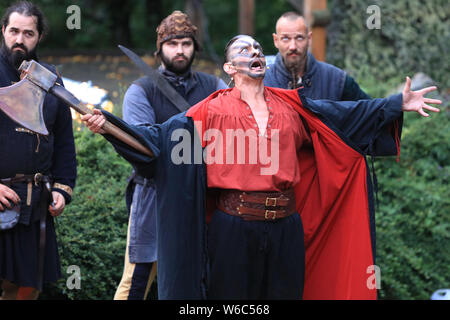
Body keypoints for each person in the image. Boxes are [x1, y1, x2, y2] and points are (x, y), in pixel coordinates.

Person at [82, 35, 440, 299]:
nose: (254, 52)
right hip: (233, 228)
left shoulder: (292, 107)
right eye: (243, 49)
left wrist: (396, 104)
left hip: (286, 227)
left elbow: (346, 116)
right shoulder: (210, 111)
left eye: (256, 48)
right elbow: (159, 140)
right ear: (229, 68)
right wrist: (110, 126)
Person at [114, 10, 227, 300]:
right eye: (172, 43)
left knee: (202, 277)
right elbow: (145, 149)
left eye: (186, 43)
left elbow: (228, 140)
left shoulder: (215, 87)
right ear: (160, 49)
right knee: (136, 283)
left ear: (195, 48)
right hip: (155, 194)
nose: (180, 50)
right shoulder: (140, 91)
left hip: (204, 194)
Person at [0, 1, 76, 300]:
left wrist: (62, 188)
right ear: (3, 30)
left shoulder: (50, 79)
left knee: (26, 291)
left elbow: (65, 141)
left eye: (28, 33)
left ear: (39, 36)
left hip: (34, 202)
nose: (20, 39)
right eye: (14, 31)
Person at [265, 11, 369, 101]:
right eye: (285, 38)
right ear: (276, 40)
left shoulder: (335, 80)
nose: (293, 46)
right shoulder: (262, 82)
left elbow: (373, 114)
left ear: (309, 39)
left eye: (299, 38)